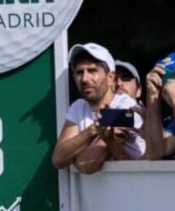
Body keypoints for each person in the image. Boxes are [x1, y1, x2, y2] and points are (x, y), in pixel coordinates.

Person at [51, 43, 145, 174]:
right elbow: (58, 159)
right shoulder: (78, 106)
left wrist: (75, 153)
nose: (84, 79)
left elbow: (87, 164)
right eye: (79, 72)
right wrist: (92, 130)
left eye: (92, 71)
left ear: (110, 78)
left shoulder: (127, 107)